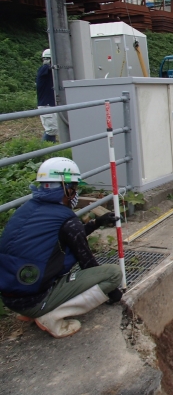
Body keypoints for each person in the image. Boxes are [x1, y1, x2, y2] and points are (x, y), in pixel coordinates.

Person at [0, 157, 123, 338]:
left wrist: (97, 223)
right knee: (112, 273)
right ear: (67, 188)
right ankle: (49, 314)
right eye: (74, 187)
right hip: (34, 300)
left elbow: (67, 234)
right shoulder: (67, 220)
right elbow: (87, 262)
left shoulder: (28, 209)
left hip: (11, 297)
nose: (75, 192)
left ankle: (31, 311)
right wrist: (113, 293)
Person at [36, 49, 59, 142]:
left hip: (50, 104)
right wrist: (53, 65)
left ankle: (49, 150)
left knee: (53, 130)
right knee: (51, 131)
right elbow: (48, 68)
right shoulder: (44, 69)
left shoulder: (48, 72)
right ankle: (44, 150)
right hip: (46, 105)